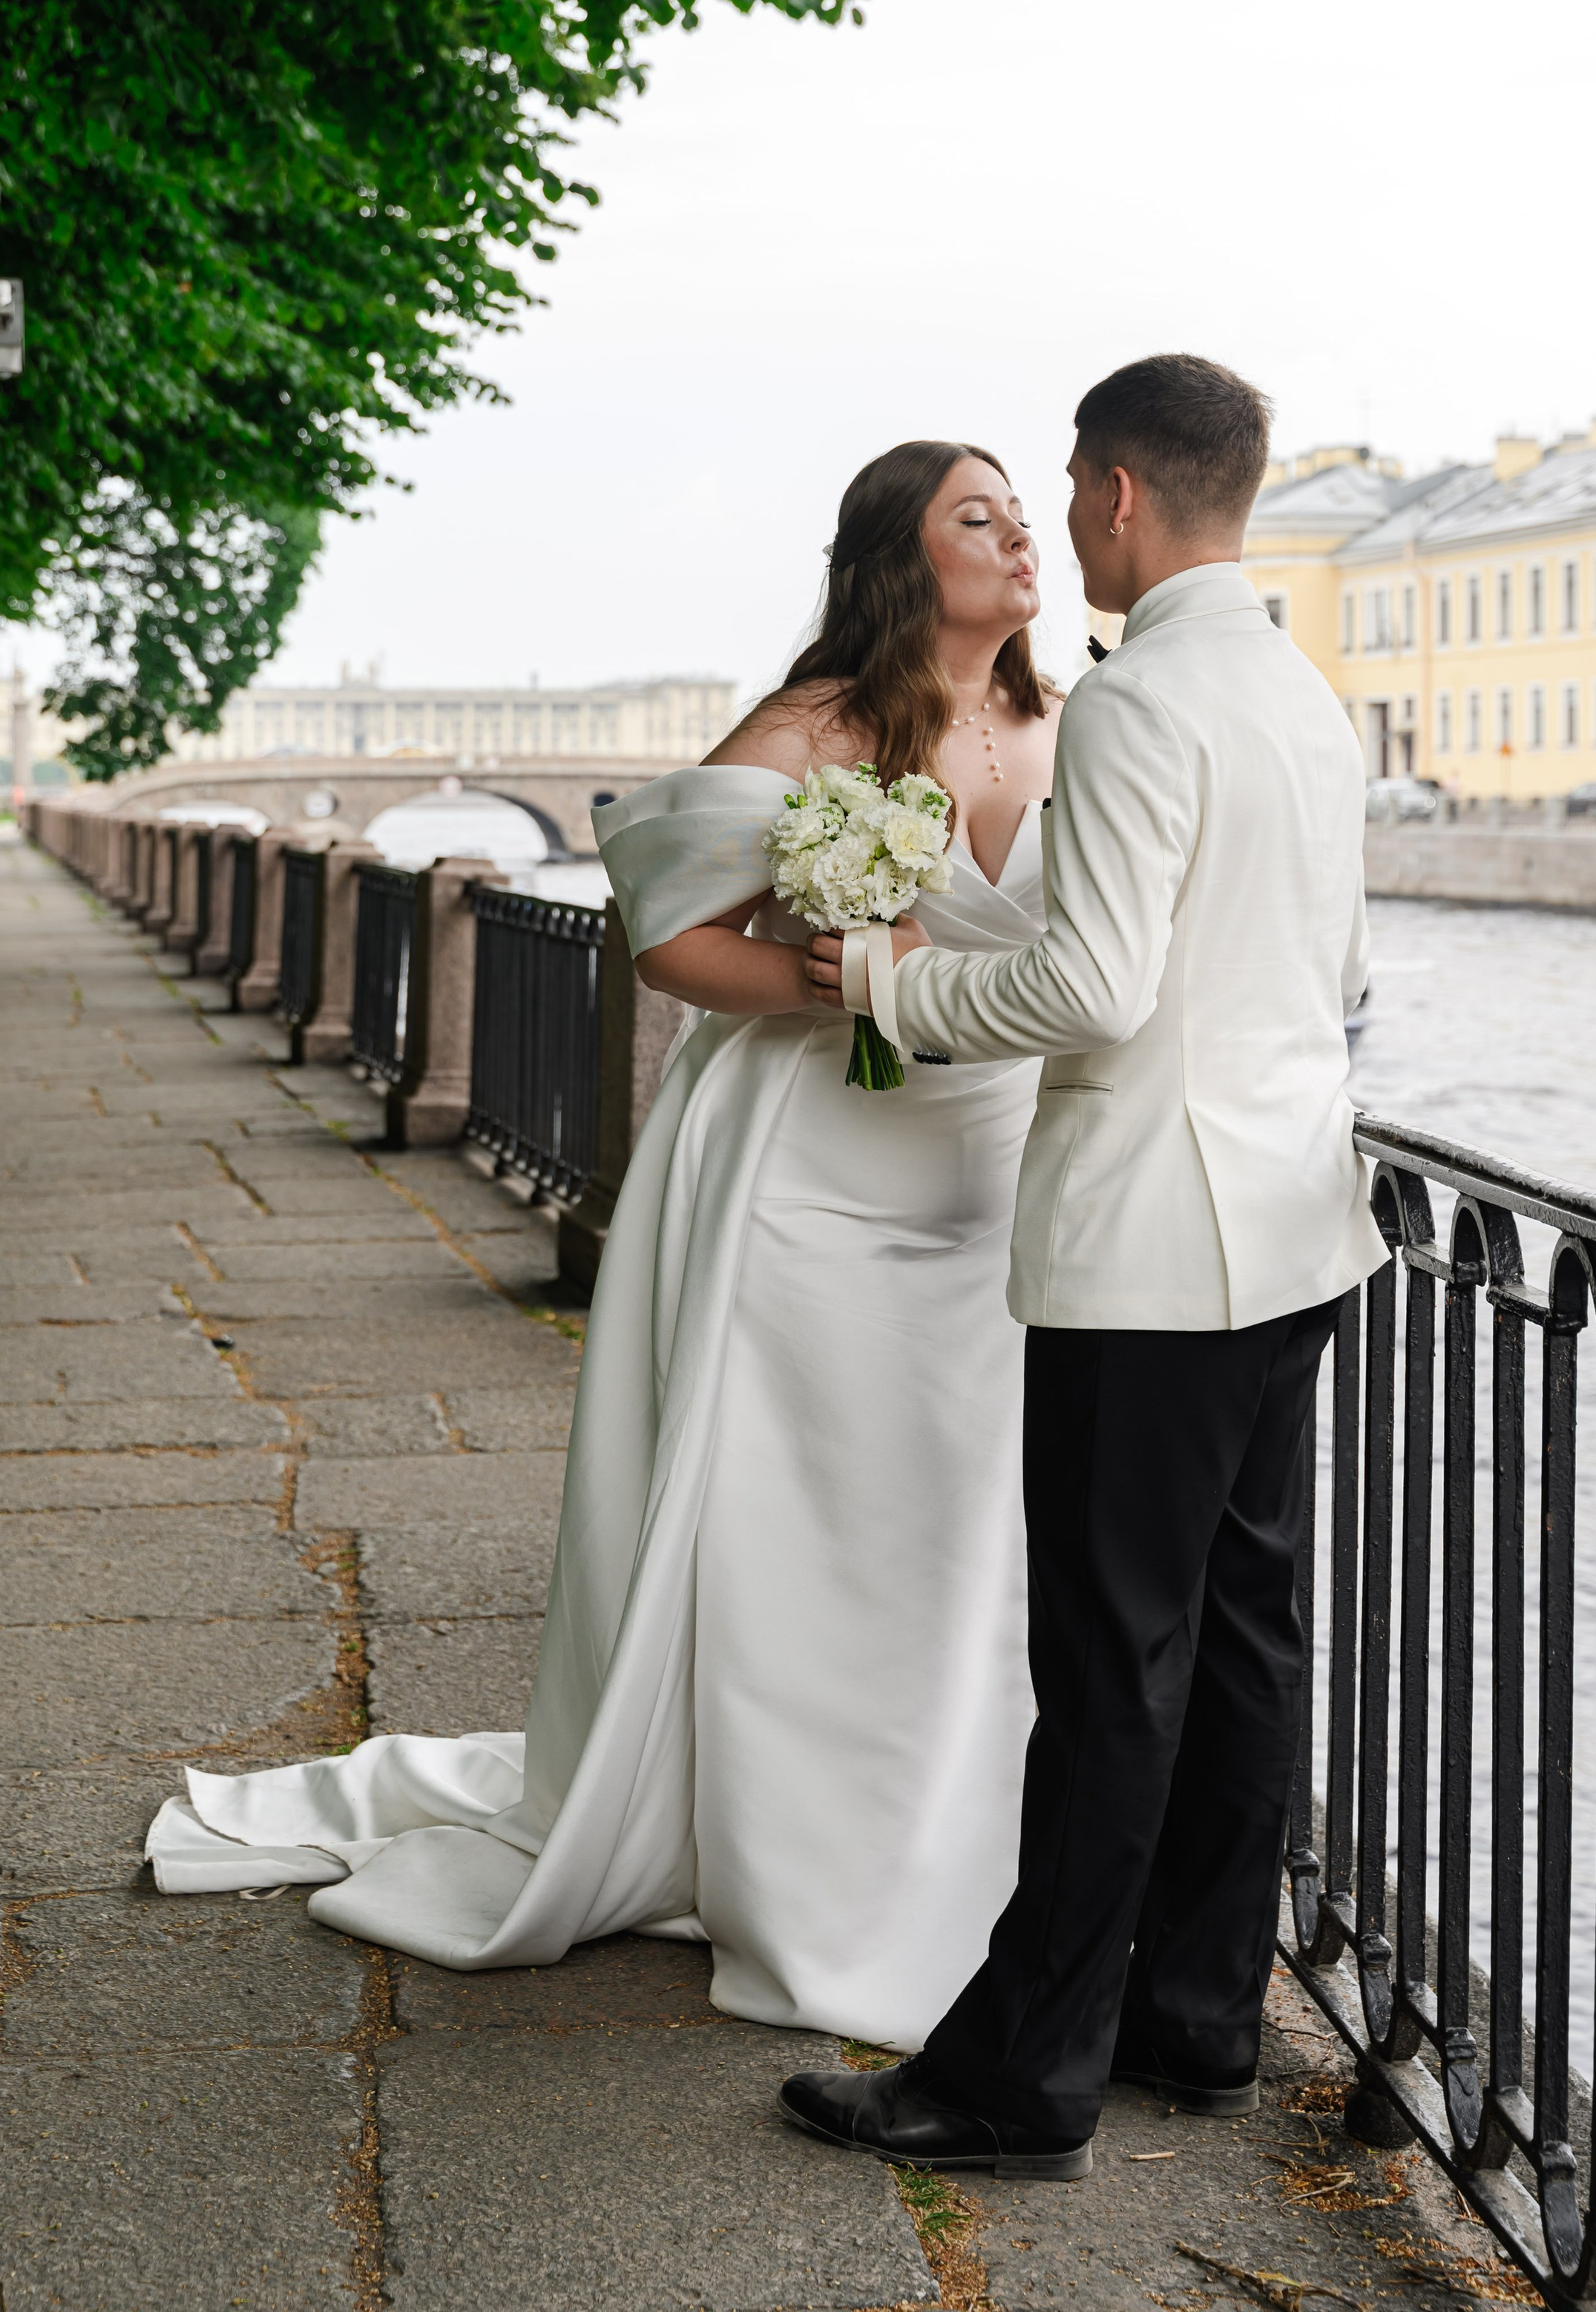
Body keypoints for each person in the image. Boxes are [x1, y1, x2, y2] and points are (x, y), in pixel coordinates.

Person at [145, 439, 1060, 2050]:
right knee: (802, 1502)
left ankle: (962, 1827)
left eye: (1022, 516)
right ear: (897, 557)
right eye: (976, 517)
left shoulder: (1074, 727)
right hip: (814, 1169)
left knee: (959, 1515)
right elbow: (670, 944)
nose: (1018, 540)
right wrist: (852, 984)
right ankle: (791, 1845)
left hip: (990, 1173)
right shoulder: (810, 731)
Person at [780, 355, 1388, 2179]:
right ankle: (1193, 2017)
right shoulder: (1299, 692)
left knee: (1111, 1664)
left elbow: (1093, 990)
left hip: (1146, 1244)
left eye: (1067, 485)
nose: (1065, 512)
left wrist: (890, 983)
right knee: (1242, 1642)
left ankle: (1017, 2074)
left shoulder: (1138, 707)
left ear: (1119, 494)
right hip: (1290, 1224)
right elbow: (1333, 979)